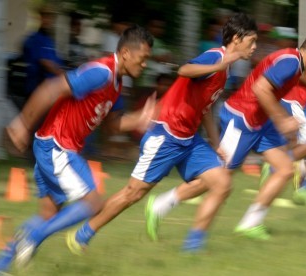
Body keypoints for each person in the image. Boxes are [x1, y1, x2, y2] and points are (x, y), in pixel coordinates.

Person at [66, 13, 258, 253]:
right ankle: (83, 234)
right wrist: (220, 64)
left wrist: (215, 142)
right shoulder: (216, 57)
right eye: (251, 41)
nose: (254, 47)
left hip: (188, 139)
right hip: (166, 134)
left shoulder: (224, 71)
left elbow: (204, 108)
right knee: (132, 194)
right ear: (237, 39)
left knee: (222, 183)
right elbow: (184, 70)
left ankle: (192, 248)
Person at [0, 25, 155, 274]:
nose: (145, 65)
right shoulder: (101, 72)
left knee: (48, 214)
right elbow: (51, 89)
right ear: (127, 53)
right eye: (143, 59)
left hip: (53, 146)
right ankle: (31, 239)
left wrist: (139, 119)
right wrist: (23, 123)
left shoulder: (117, 84)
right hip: (57, 145)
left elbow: (111, 126)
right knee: (93, 203)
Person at [144, 29, 306, 241]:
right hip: (242, 120)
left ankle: (250, 223)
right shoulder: (291, 61)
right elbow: (260, 88)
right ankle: (166, 209)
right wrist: (281, 119)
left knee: (284, 168)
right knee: (218, 180)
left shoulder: (295, 62)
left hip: (260, 122)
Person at [23, 5, 64, 100]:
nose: (48, 20)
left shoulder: (48, 40)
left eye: (50, 17)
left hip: (49, 88)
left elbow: (56, 61)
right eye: (45, 16)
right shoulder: (35, 39)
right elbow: (46, 63)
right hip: (39, 90)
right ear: (40, 18)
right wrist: (65, 75)